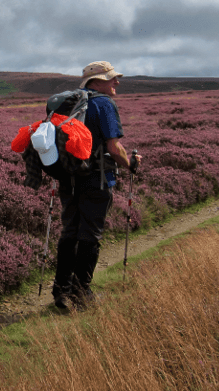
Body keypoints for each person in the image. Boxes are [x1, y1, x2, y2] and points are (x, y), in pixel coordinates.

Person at [53, 61, 141, 309]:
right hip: (96, 178)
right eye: (112, 78)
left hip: (67, 178)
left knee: (69, 232)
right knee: (90, 235)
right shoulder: (104, 104)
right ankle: (82, 294)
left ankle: (61, 292)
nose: (117, 82)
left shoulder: (69, 102)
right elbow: (114, 148)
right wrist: (131, 163)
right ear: (98, 81)